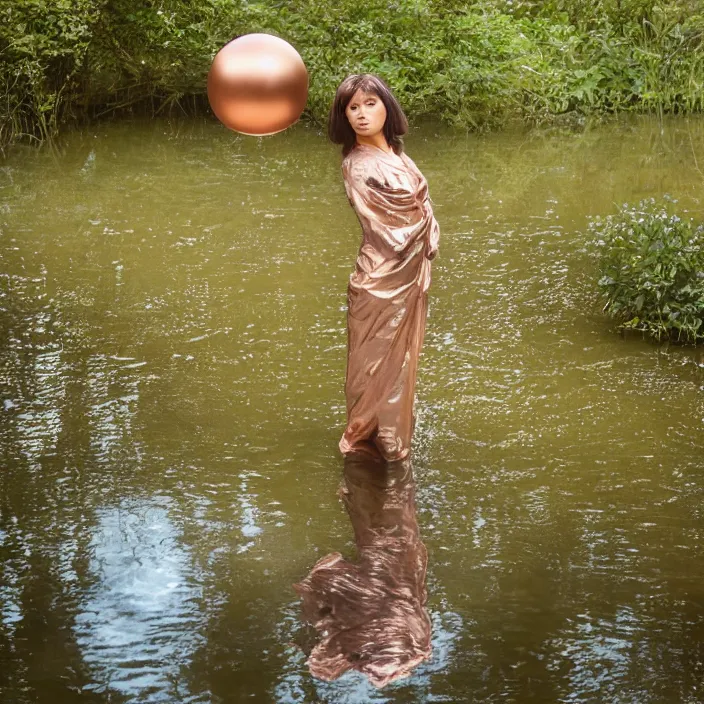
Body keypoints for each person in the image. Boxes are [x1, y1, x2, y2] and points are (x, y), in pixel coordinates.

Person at [328, 74, 440, 462]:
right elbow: (393, 228)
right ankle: (371, 446)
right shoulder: (358, 165)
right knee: (374, 370)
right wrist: (426, 222)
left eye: (370, 104)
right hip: (380, 281)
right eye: (353, 107)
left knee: (401, 365)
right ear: (344, 116)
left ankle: (391, 442)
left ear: (386, 107)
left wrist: (427, 218)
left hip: (408, 278)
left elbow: (422, 206)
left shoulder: (396, 153)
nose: (361, 114)